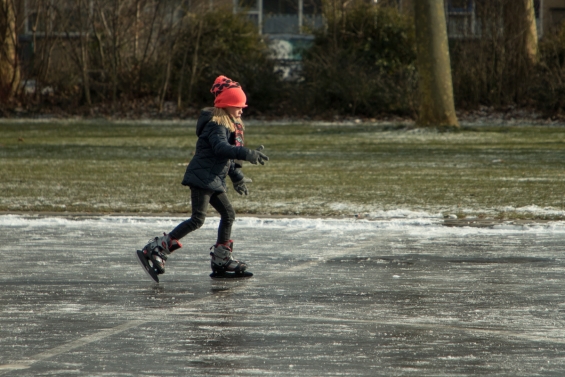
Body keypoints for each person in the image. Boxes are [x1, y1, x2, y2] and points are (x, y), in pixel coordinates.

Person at [136, 75, 269, 281]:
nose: (242, 110)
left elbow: (226, 159)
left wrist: (237, 177)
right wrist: (246, 153)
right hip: (202, 178)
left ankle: (221, 259)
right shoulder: (216, 125)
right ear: (226, 105)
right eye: (238, 106)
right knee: (198, 219)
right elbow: (221, 148)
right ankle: (156, 249)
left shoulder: (227, 126)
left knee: (228, 214)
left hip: (214, 179)